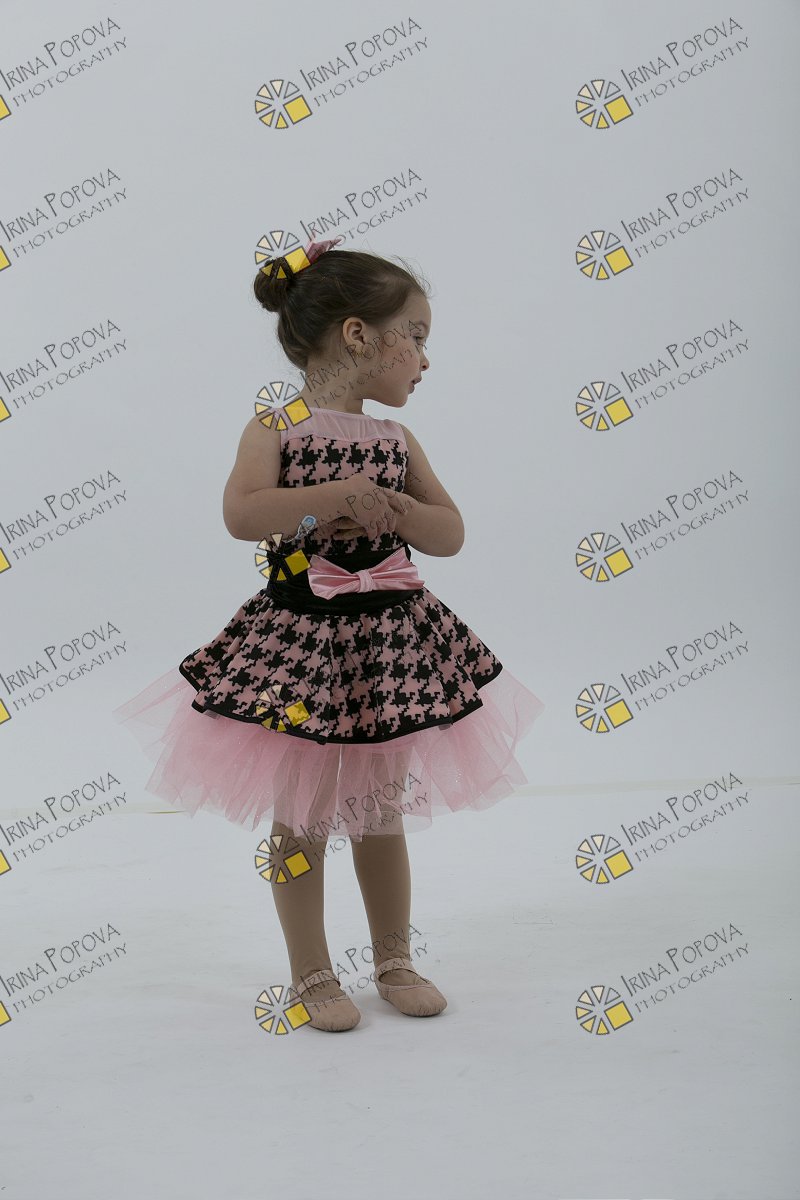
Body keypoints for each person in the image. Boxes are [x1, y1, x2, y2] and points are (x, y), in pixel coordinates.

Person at [112, 235, 546, 1032]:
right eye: (415, 336)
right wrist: (331, 499)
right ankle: (310, 971)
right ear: (358, 335)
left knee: (381, 808)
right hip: (305, 642)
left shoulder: (397, 442)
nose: (424, 358)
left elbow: (450, 532)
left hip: (389, 645)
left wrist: (403, 512)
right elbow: (243, 512)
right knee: (304, 813)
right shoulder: (278, 424)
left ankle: (393, 957)